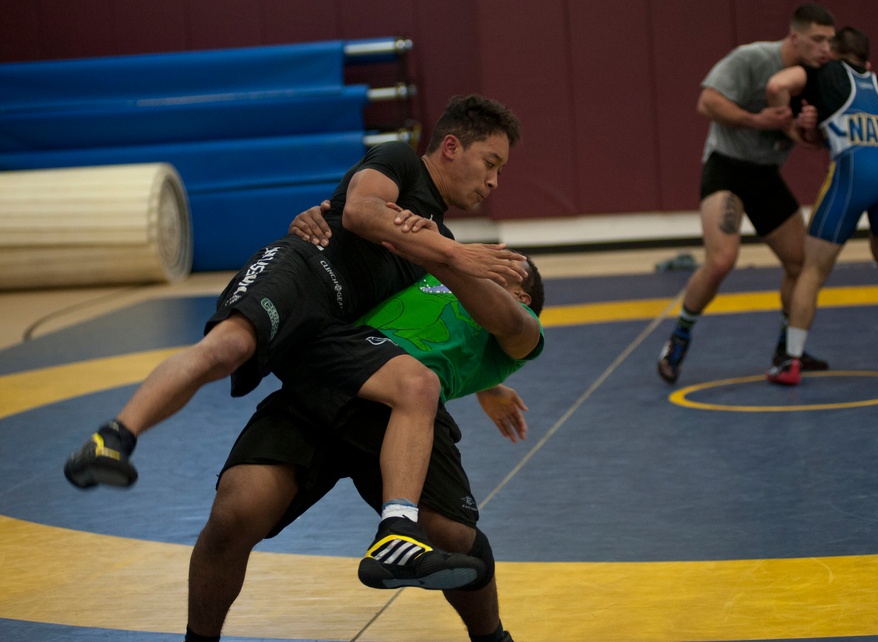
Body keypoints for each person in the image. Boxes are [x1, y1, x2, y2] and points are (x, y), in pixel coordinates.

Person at [64, 94, 527, 590]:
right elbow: (361, 211)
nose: (494, 181)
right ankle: (111, 439)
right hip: (303, 272)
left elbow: (420, 325)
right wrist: (453, 254)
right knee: (227, 349)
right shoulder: (400, 161)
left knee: (415, 384)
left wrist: (486, 385)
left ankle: (397, 533)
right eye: (490, 164)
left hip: (333, 330)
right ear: (451, 147)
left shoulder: (438, 235)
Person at [184, 240, 545, 642]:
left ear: (521, 295)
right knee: (234, 513)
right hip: (333, 376)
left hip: (404, 408)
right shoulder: (429, 274)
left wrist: (448, 255)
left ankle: (492, 638)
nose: (485, 258)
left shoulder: (522, 325)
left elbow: (506, 324)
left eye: (502, 263)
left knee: (454, 537)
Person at [657, 3, 837, 384]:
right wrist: (756, 120)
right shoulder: (753, 59)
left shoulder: (818, 78)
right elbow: (706, 101)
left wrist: (809, 130)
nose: (825, 49)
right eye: (818, 40)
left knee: (800, 263)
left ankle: (787, 350)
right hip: (728, 167)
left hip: (766, 175)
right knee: (722, 260)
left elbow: (813, 141)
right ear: (794, 37)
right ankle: (679, 338)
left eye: (830, 41)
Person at [764, 27, 878, 385]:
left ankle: (791, 360)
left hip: (854, 170)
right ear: (868, 61)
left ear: (834, 54)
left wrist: (789, 127)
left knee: (812, 269)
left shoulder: (823, 72)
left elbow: (778, 85)